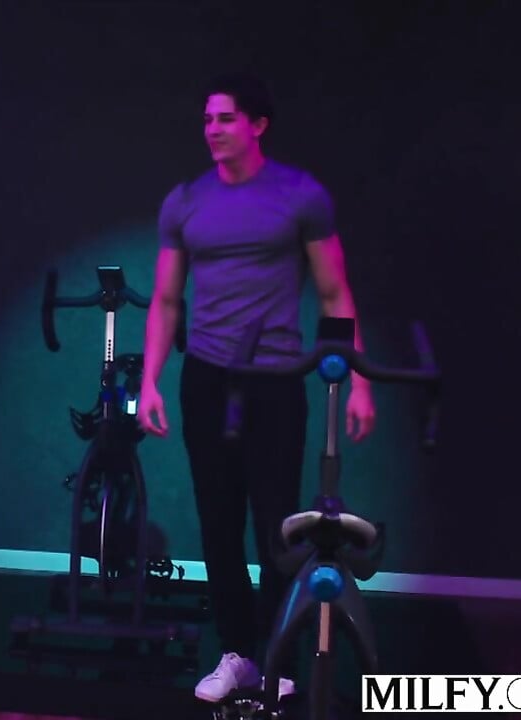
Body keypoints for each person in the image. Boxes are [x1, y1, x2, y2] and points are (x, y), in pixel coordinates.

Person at [137, 74, 375, 703]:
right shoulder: (185, 201)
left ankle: (277, 659)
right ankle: (237, 654)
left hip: (275, 380)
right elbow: (165, 300)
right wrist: (150, 381)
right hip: (207, 378)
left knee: (277, 526)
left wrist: (359, 381)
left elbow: (334, 293)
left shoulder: (300, 196)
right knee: (218, 523)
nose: (212, 129)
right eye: (207, 119)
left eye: (225, 118)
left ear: (257, 125)